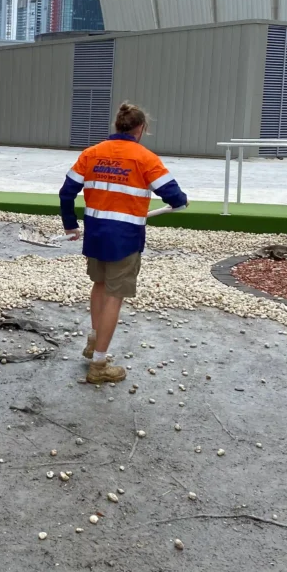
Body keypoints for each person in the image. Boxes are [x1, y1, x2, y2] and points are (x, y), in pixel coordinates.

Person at [59, 102, 187, 385]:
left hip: (96, 234)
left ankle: (93, 343)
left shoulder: (92, 154)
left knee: (100, 286)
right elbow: (174, 196)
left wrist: (70, 224)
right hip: (125, 239)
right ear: (140, 129)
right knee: (114, 295)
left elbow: (67, 192)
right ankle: (99, 363)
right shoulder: (145, 158)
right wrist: (182, 201)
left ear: (118, 125)